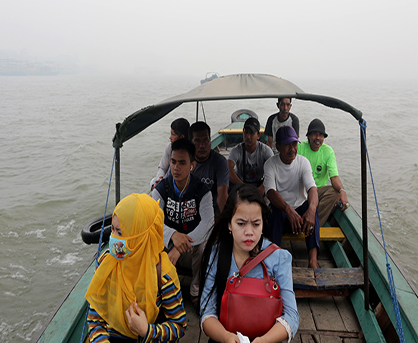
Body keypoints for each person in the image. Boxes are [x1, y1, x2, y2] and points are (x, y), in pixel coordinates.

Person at [198, 184, 299, 343]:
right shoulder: (215, 255)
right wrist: (226, 337)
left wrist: (263, 341)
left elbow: (292, 316)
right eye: (241, 223)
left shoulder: (279, 258)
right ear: (229, 225)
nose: (249, 232)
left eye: (256, 224)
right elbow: (206, 313)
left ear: (263, 224)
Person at [84, 193, 188, 342]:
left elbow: (178, 326)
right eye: (112, 229)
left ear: (141, 235)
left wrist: (147, 330)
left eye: (120, 232)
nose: (113, 237)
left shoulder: (164, 275)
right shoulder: (105, 262)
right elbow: (95, 318)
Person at [151, 138, 214, 305]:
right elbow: (153, 220)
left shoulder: (201, 190)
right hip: (168, 243)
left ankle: (195, 289)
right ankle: (159, 288)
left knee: (204, 246)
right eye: (173, 162)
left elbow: (208, 224)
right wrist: (172, 235)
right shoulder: (161, 189)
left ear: (192, 165)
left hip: (191, 246)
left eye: (182, 162)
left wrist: (181, 246)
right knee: (149, 241)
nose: (176, 167)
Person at [263, 125, 320, 269]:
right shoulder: (270, 164)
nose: (292, 149)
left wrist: (312, 210)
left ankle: (313, 260)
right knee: (274, 212)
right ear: (278, 146)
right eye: (287, 145)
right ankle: (273, 259)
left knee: (311, 207)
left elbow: (312, 188)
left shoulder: (303, 162)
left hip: (300, 215)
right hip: (282, 214)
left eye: (294, 144)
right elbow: (270, 191)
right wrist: (288, 209)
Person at [297, 118, 348, 226]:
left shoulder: (328, 151)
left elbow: (334, 177)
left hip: (318, 191)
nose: (318, 138)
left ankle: (313, 224)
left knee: (334, 192)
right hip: (301, 190)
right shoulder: (300, 148)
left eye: (321, 135)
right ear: (309, 136)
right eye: (315, 134)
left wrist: (342, 191)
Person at [190, 121, 230, 216]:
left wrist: (224, 220)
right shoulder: (184, 161)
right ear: (190, 142)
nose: (202, 145)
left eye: (205, 140)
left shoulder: (220, 162)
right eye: (197, 141)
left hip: (212, 212)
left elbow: (222, 195)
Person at [227, 116, 274, 196]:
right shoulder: (236, 150)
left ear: (258, 135)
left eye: (251, 133)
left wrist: (262, 189)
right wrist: (243, 186)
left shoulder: (265, 150)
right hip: (241, 183)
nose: (248, 136)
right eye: (246, 132)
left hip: (260, 184)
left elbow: (273, 171)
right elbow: (228, 168)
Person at [150, 118, 191, 190]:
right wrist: (160, 179)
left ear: (182, 137)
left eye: (173, 134)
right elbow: (162, 168)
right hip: (166, 181)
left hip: (178, 184)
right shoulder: (169, 147)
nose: (170, 137)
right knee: (153, 181)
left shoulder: (190, 152)